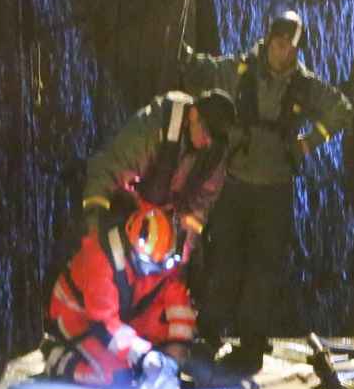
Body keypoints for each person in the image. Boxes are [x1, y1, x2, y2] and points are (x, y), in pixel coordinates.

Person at [182, 9, 354, 374]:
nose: (283, 54)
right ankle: (209, 332)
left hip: (275, 191)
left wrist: (309, 142)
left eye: (290, 48)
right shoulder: (242, 71)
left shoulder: (304, 85)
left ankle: (251, 344)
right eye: (278, 45)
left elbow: (341, 110)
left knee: (263, 270)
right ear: (268, 41)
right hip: (236, 184)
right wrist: (180, 52)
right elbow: (207, 71)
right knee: (224, 259)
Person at [41, 196, 193, 389]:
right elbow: (104, 325)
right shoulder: (100, 259)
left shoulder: (157, 254)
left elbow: (175, 295)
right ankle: (56, 359)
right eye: (149, 265)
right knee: (116, 377)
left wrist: (175, 352)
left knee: (140, 365)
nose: (153, 271)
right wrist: (143, 354)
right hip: (75, 316)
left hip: (113, 318)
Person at [81, 88, 237, 267]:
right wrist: (94, 230)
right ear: (193, 115)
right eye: (206, 132)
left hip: (164, 230)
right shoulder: (152, 128)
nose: (207, 142)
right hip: (128, 214)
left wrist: (181, 252)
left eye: (214, 139)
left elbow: (198, 210)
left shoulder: (214, 153)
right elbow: (108, 171)